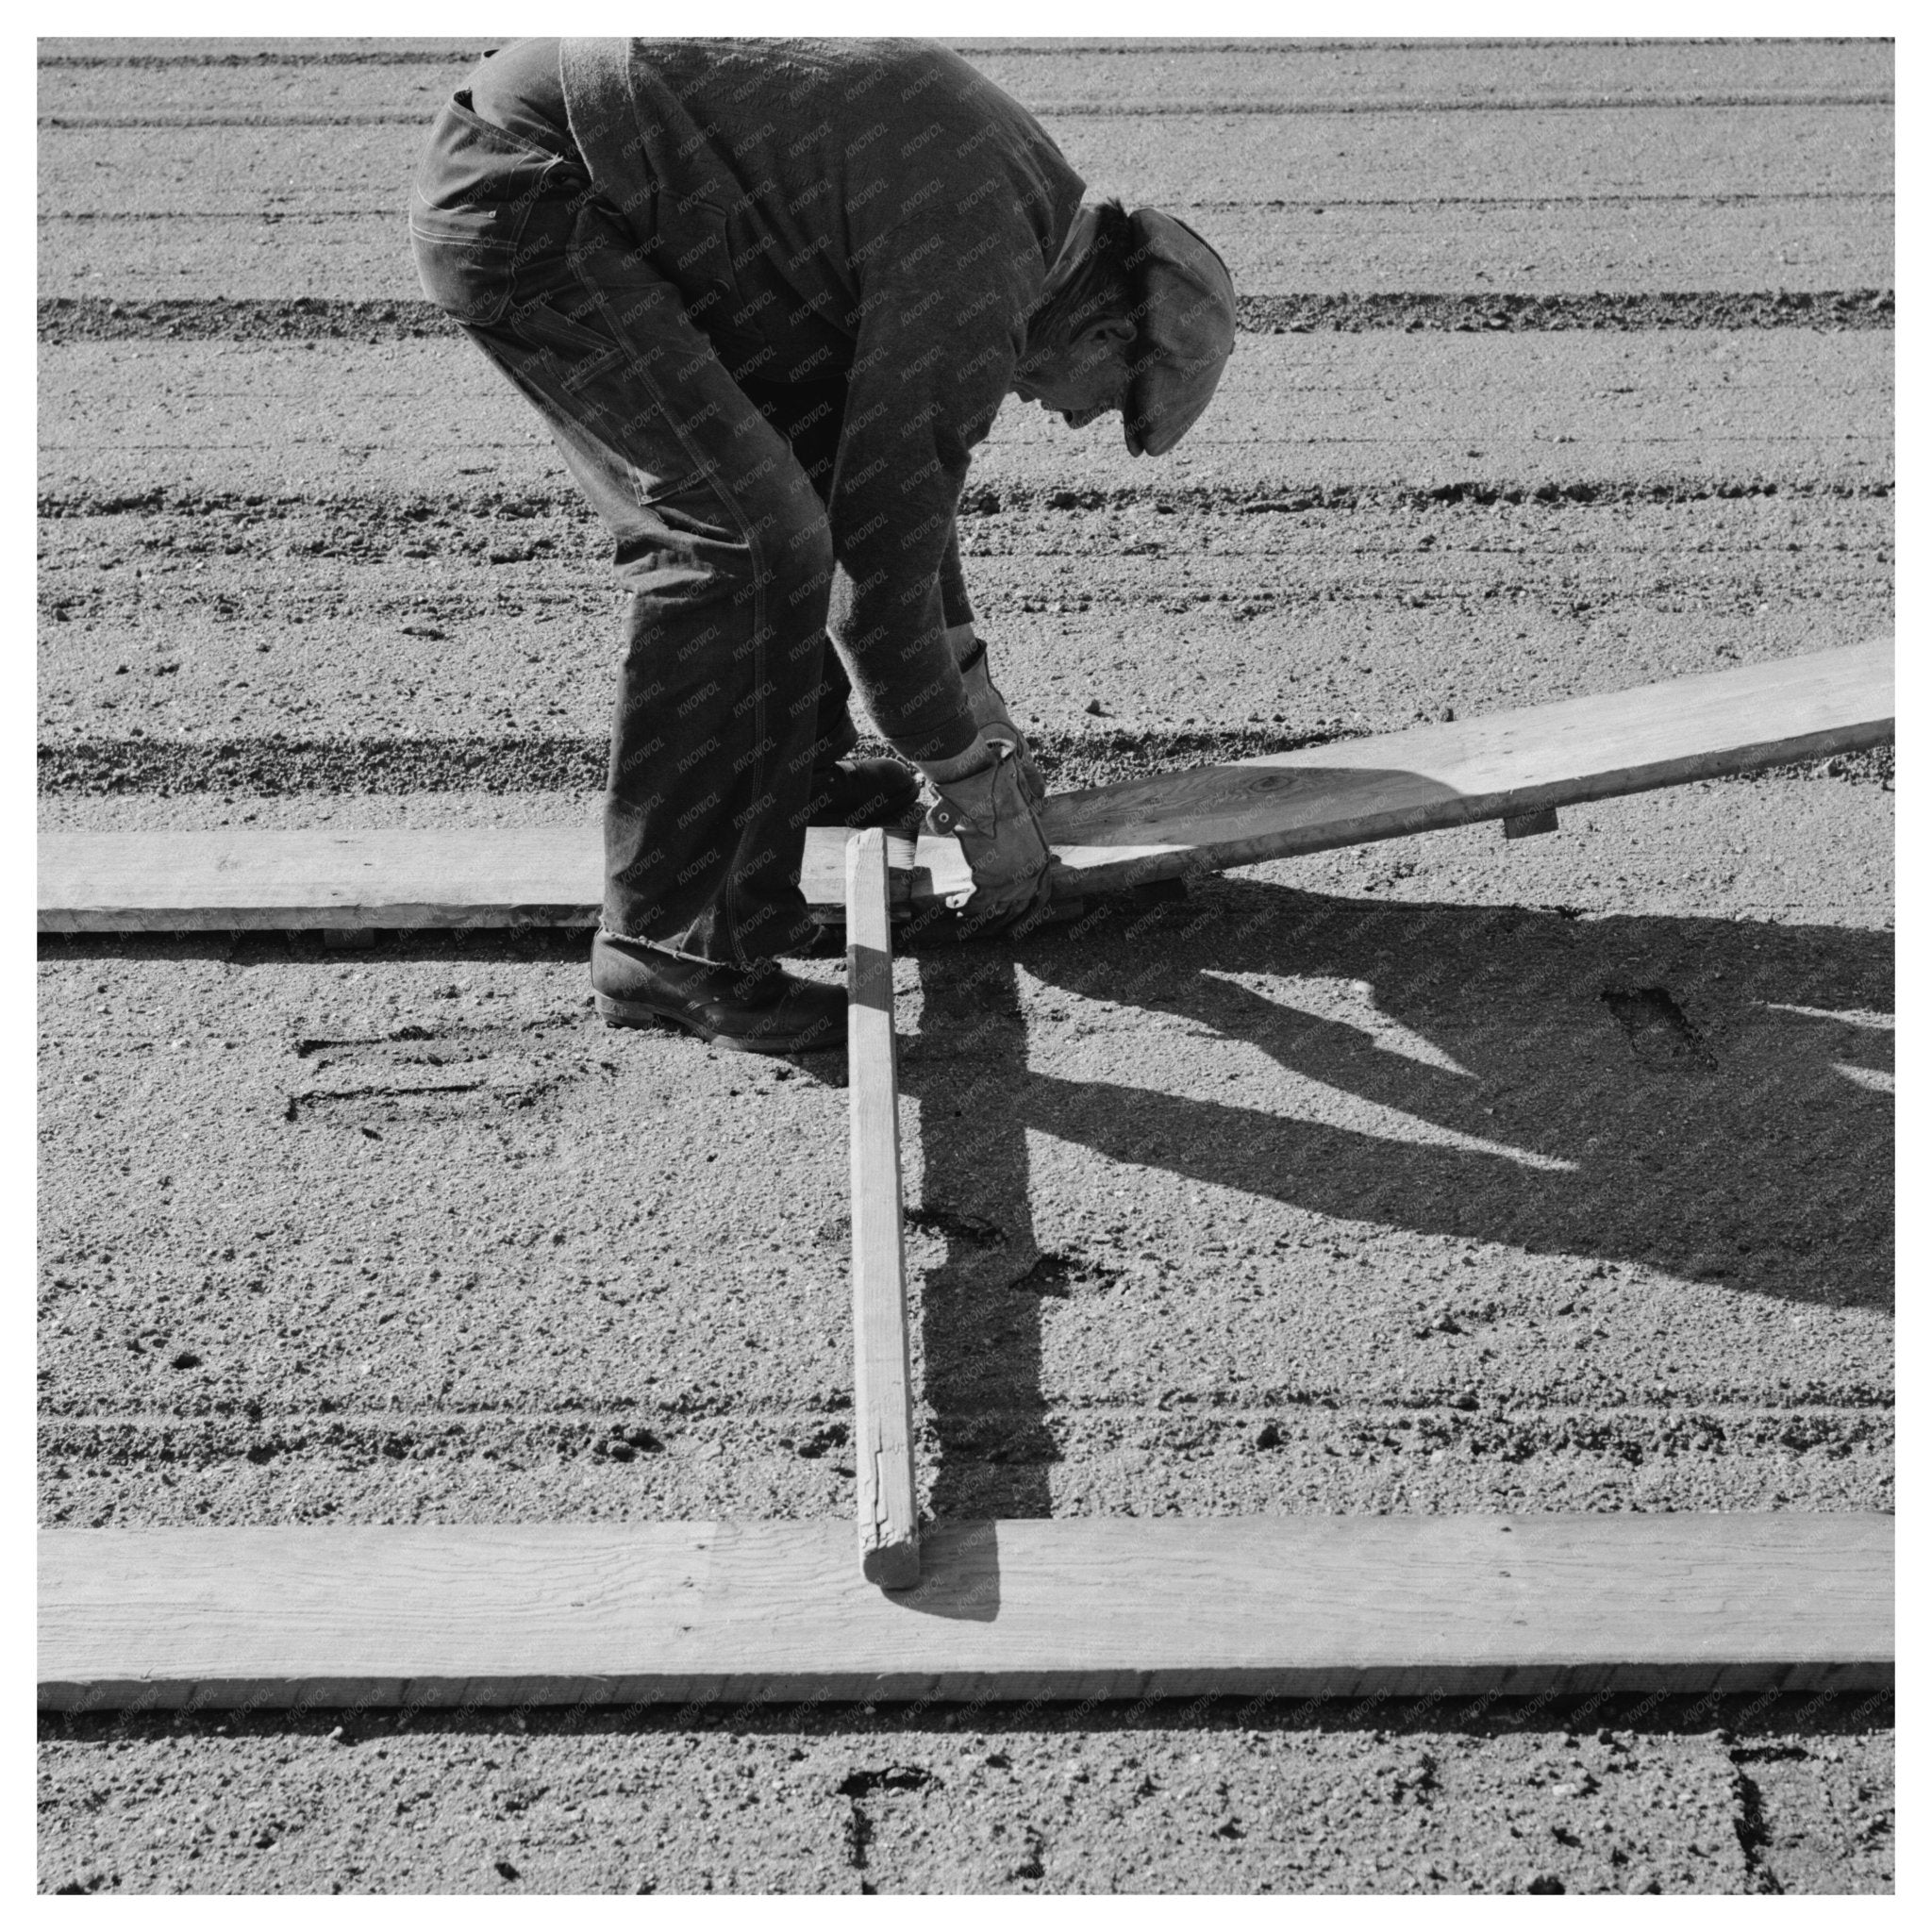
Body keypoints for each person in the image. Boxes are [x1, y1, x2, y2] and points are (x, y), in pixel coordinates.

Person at [410, 37, 1234, 1054]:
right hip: (539, 196)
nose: (1071, 421)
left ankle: (795, 798)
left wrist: (973, 709)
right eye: (1106, 405)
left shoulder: (1018, 218)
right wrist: (971, 785)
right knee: (742, 541)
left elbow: (891, 509)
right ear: (1105, 337)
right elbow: (877, 596)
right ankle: (673, 944)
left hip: (610, 185)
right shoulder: (975, 276)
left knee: (792, 495)